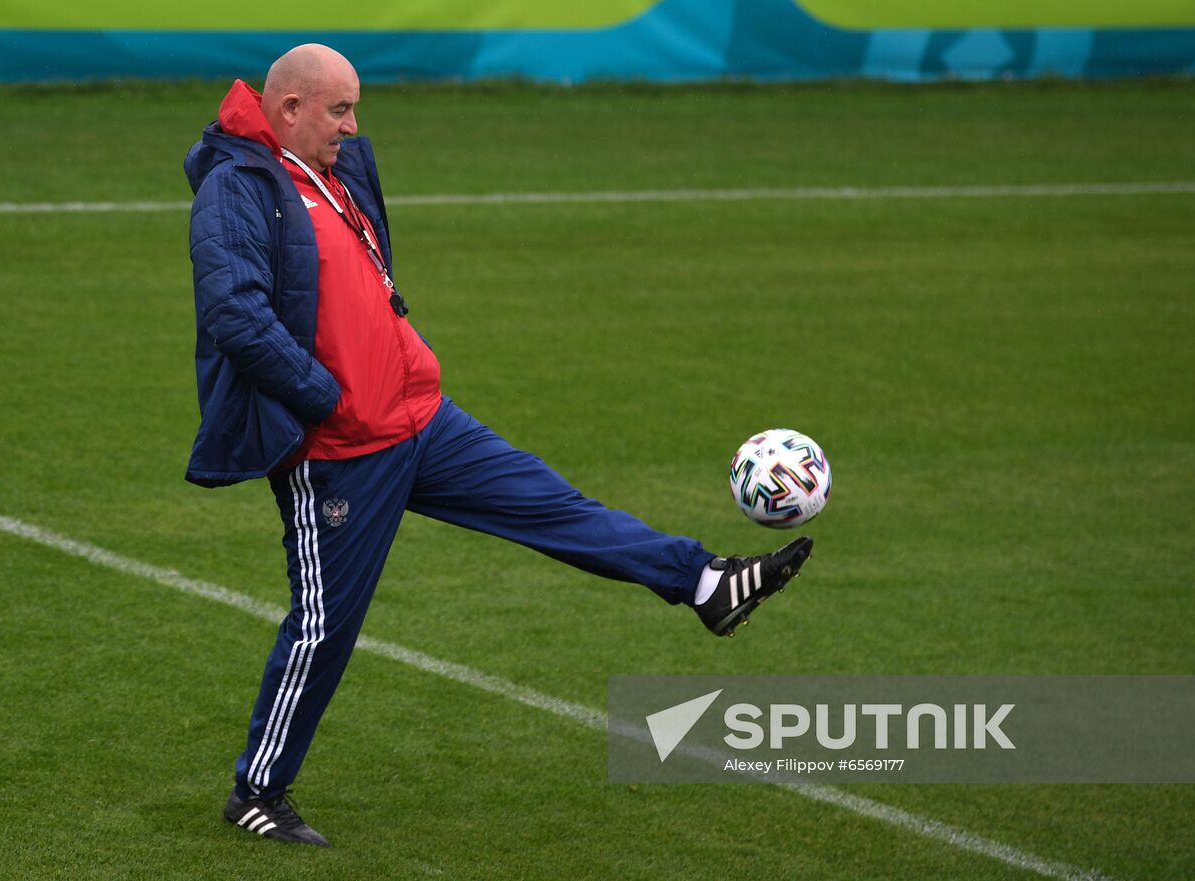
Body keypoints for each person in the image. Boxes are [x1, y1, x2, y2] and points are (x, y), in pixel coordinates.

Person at [184, 43, 814, 848]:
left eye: (355, 108)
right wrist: (323, 398)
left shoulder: (329, 172)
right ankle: (258, 789)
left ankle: (704, 583)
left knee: (554, 505)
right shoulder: (242, 188)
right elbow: (236, 315)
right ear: (289, 109)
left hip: (421, 418)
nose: (352, 124)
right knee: (324, 625)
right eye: (339, 109)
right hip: (342, 448)